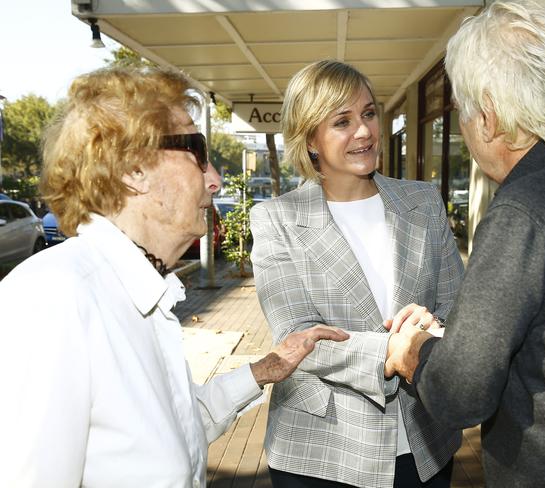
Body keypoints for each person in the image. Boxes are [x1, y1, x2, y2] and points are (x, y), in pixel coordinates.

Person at [0, 66, 349, 488]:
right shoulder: (53, 298)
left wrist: (264, 370)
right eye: (196, 150)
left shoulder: (140, 292)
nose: (215, 180)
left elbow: (171, 433)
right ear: (133, 170)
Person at [385, 2, 545, 486]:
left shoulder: (524, 213)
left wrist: (415, 351)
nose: (465, 130)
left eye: (463, 113)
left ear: (487, 118)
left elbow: (460, 393)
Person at [249, 60, 464, 488]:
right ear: (310, 139)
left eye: (368, 114)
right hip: (321, 453)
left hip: (424, 443)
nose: (363, 131)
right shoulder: (277, 219)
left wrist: (435, 325)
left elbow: (456, 306)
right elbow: (298, 335)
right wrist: (397, 348)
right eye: (342, 122)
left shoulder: (422, 201)